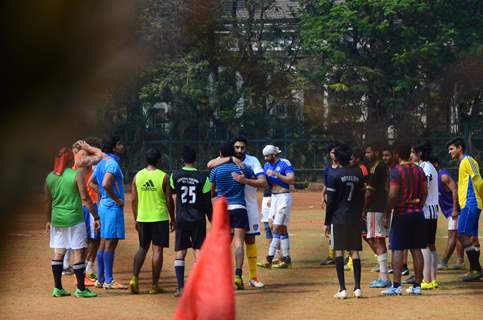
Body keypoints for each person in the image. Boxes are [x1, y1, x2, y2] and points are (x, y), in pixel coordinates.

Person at [207, 136, 267, 288]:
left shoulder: (250, 161)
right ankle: (237, 275)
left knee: (245, 241)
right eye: (237, 148)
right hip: (240, 206)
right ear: (232, 150)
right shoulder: (239, 165)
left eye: (242, 147)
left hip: (234, 207)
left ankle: (248, 278)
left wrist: (244, 181)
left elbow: (262, 182)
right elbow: (210, 164)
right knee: (237, 242)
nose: (240, 150)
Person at [45, 147, 98, 297]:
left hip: (57, 219)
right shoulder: (76, 175)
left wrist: (48, 220)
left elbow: (47, 202)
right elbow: (85, 198)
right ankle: (81, 289)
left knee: (59, 251)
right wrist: (96, 216)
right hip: (74, 218)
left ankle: (57, 288)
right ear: (70, 160)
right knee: (78, 251)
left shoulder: (49, 177)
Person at [382, 143, 426, 296]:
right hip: (418, 213)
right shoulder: (419, 170)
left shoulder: (396, 171)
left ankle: (396, 286)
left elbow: (393, 194)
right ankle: (417, 285)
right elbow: (424, 192)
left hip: (402, 214)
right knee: (417, 248)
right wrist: (419, 204)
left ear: (397, 155)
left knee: (398, 248)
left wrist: (387, 213)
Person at [129, 148, 175, 294]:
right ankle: (154, 285)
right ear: (159, 160)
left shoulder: (137, 176)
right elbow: (169, 200)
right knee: (157, 250)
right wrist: (172, 218)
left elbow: (133, 200)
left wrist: (136, 218)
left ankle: (134, 278)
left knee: (142, 247)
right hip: (159, 217)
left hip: (142, 217)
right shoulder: (164, 177)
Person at [171, 146, 213, 297]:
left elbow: (171, 191)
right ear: (195, 160)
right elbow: (207, 203)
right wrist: (212, 219)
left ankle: (180, 287)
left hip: (181, 218)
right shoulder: (203, 178)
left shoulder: (174, 176)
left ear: (182, 160)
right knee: (198, 250)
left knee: (180, 251)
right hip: (197, 219)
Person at [324, 144, 365, 299]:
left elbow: (331, 202)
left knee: (339, 251)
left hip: (338, 218)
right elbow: (361, 197)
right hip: (354, 217)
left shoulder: (334, 175)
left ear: (338, 158)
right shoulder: (359, 173)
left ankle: (342, 289)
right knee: (354, 252)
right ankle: (358, 288)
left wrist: (327, 222)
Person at [90, 135, 127, 289]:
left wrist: (103, 195)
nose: (122, 146)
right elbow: (106, 184)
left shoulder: (101, 163)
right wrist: (116, 199)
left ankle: (100, 279)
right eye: (119, 143)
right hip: (112, 207)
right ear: (113, 148)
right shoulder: (112, 163)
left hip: (103, 206)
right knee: (110, 243)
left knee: (104, 242)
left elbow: (91, 183)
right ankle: (109, 280)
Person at [447, 137, 483, 281]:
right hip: (468, 204)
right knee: (473, 237)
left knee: (461, 233)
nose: (449, 152)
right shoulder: (463, 162)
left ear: (459, 148)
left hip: (471, 203)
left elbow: (479, 180)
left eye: (451, 149)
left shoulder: (468, 161)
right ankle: (474, 270)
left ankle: (477, 269)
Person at [72, 138, 106, 285]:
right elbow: (101, 156)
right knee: (92, 239)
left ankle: (85, 269)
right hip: (89, 205)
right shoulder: (83, 159)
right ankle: (86, 270)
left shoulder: (81, 159)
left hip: (85, 204)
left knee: (91, 238)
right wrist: (91, 149)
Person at [258, 144, 295, 269]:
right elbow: (266, 182)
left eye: (267, 156)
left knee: (276, 228)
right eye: (264, 156)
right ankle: (286, 259)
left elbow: (291, 179)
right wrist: (269, 198)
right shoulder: (266, 165)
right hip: (273, 198)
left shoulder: (284, 163)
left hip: (284, 197)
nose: (266, 159)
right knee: (282, 228)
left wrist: (276, 174)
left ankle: (269, 258)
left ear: (274, 155)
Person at [411, 142, 440, 290]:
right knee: (430, 244)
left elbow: (425, 189)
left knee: (424, 245)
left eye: (412, 152)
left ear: (419, 154)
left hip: (427, 210)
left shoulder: (425, 168)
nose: (410, 155)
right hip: (432, 210)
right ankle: (433, 278)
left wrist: (417, 202)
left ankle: (426, 279)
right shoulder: (429, 166)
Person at [364, 144, 391, 288]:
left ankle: (384, 276)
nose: (366, 155)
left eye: (368, 152)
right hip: (381, 207)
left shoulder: (376, 168)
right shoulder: (383, 167)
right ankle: (383, 274)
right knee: (377, 239)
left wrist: (363, 208)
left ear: (376, 152)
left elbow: (369, 192)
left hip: (375, 207)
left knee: (377, 240)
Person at [431, 157, 464, 270]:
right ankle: (460, 261)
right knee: (458, 235)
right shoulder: (437, 176)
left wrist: (455, 209)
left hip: (454, 210)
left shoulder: (443, 176)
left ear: (435, 164)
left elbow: (455, 189)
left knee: (452, 235)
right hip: (451, 210)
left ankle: (444, 261)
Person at [320, 143, 340, 265]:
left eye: (335, 152)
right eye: (332, 152)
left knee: (339, 228)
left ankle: (345, 255)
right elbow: (326, 185)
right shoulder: (328, 169)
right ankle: (331, 255)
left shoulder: (342, 168)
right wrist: (322, 196)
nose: (334, 155)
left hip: (340, 202)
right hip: (330, 201)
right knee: (330, 228)